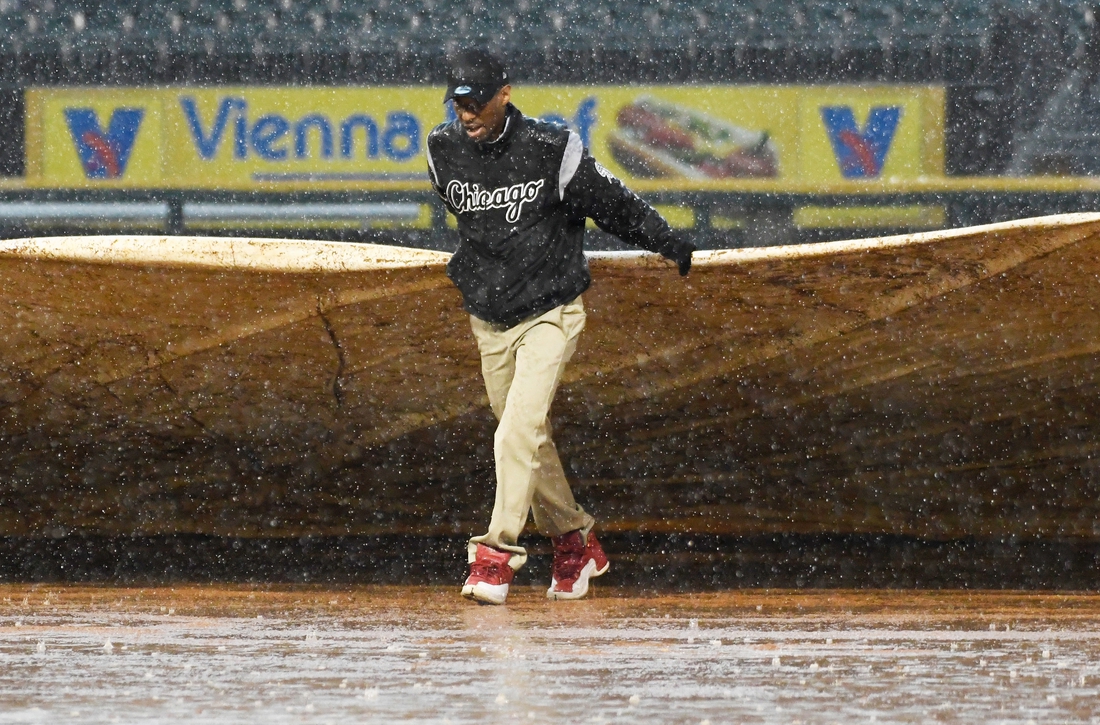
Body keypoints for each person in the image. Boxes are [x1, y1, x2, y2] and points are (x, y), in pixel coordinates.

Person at [426, 48, 694, 605]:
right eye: (458, 101)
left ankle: (496, 557)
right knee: (529, 438)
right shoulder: (441, 149)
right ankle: (576, 541)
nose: (466, 113)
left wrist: (667, 240)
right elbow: (475, 229)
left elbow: (612, 204)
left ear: (505, 94)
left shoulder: (552, 148)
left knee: (514, 433)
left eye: (476, 100)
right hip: (489, 319)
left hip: (551, 311)